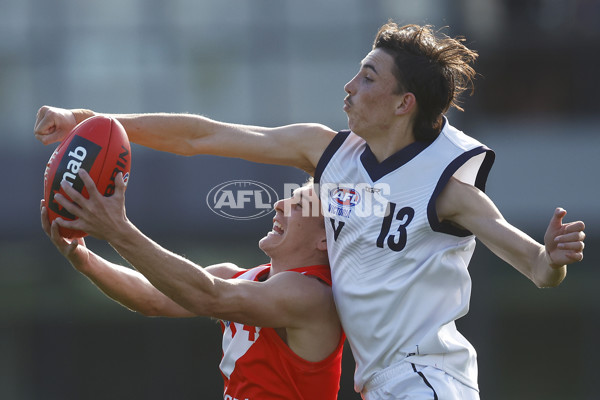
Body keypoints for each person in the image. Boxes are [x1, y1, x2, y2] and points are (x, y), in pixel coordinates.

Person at [35, 22, 586, 400]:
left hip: (429, 377)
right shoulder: (327, 151)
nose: (349, 86)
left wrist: (553, 257)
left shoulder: (447, 189)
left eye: (368, 77)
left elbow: (536, 268)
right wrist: (92, 118)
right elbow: (200, 136)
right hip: (379, 383)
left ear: (403, 103)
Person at [40, 175, 345, 400]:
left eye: (299, 204)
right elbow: (152, 298)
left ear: (324, 240)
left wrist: (118, 230)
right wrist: (85, 259)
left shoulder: (311, 294)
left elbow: (208, 295)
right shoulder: (239, 278)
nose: (279, 204)